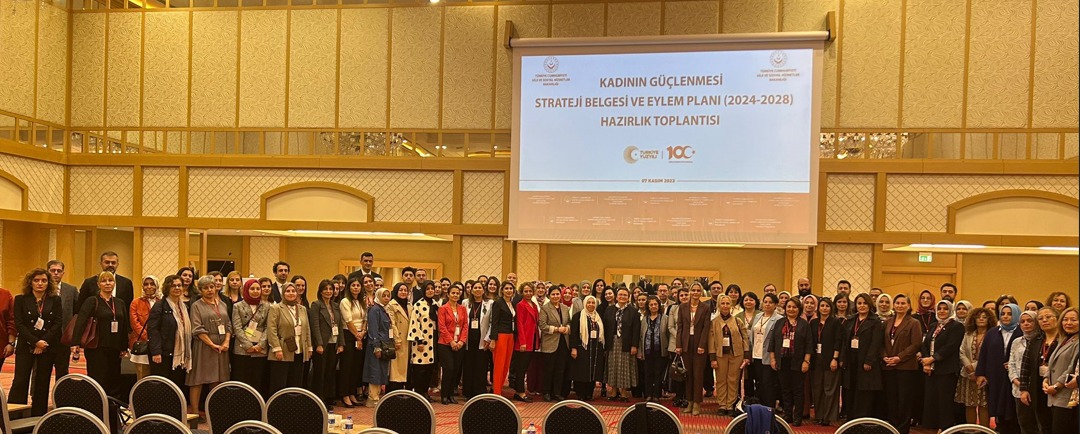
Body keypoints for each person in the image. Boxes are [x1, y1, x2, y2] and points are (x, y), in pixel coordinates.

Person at [10, 269, 61, 416]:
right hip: (26, 345)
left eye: (44, 280)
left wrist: (43, 342)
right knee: (20, 380)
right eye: (36, 280)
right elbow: (19, 324)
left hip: (47, 346)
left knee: (42, 382)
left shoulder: (55, 300)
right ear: (30, 282)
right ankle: (15, 415)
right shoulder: (20, 299)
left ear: (48, 283)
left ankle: (38, 415)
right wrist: (35, 342)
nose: (40, 283)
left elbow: (57, 323)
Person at [73, 271, 129, 398]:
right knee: (98, 379)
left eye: (110, 281)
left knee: (114, 379)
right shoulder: (92, 301)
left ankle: (112, 407)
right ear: (99, 284)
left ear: (114, 283)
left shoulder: (119, 302)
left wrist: (124, 346)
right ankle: (96, 405)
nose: (107, 283)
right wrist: (75, 342)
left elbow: (124, 325)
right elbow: (81, 321)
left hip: (114, 347)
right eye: (104, 281)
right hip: (96, 347)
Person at [186, 275, 232, 415]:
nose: (210, 290)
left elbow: (228, 325)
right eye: (205, 288)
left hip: (222, 346)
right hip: (203, 345)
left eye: (211, 287)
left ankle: (213, 411)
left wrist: (226, 342)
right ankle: (195, 413)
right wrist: (212, 344)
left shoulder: (222, 304)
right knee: (198, 379)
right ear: (200, 290)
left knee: (217, 379)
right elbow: (197, 328)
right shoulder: (196, 305)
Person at [976, 302, 1022, 434]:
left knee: (1012, 407)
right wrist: (980, 373)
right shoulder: (992, 332)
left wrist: (1012, 363)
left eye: (1010, 314)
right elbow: (984, 354)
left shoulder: (1021, 331)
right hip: (995, 375)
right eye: (1003, 314)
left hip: (1015, 376)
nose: (1005, 316)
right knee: (998, 407)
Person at [882, 294, 923, 434]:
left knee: (904, 400)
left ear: (908, 306)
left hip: (906, 367)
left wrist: (899, 358)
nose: (900, 306)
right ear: (894, 305)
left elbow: (916, 344)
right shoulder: (887, 322)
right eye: (897, 303)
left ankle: (903, 429)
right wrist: (884, 356)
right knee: (891, 399)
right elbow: (881, 342)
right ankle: (892, 427)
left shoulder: (914, 322)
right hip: (888, 366)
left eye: (903, 303)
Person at [921, 300, 964, 430]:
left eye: (945, 309)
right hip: (931, 369)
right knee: (931, 399)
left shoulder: (956, 326)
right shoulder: (933, 325)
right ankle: (932, 426)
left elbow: (951, 346)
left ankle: (945, 427)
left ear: (950, 310)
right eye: (939, 309)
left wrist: (932, 359)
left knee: (945, 400)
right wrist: (926, 361)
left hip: (946, 369)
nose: (942, 311)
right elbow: (924, 344)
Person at [769, 298, 812, 426]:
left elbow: (809, 344)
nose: (791, 309)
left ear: (799, 309)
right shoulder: (779, 322)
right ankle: (788, 414)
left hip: (798, 361)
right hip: (782, 360)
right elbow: (773, 342)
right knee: (785, 389)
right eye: (789, 307)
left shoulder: (804, 324)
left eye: (794, 307)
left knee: (798, 390)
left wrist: (806, 361)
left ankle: (798, 416)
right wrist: (773, 359)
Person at [842, 293, 883, 419]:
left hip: (865, 360)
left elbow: (876, 343)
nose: (862, 306)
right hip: (851, 360)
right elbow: (844, 341)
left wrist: (869, 360)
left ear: (869, 305)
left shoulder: (875, 322)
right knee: (850, 389)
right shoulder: (850, 320)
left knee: (863, 392)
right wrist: (843, 359)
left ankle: (861, 419)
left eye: (865, 303)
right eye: (859, 303)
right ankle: (850, 418)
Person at [148, 275, 192, 389]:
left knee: (176, 386)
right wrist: (156, 352)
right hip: (163, 354)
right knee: (162, 386)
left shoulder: (184, 307)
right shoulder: (160, 306)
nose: (177, 288)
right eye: (173, 286)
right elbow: (153, 330)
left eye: (179, 285)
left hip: (179, 354)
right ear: (167, 288)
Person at [266, 282, 311, 394]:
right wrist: (277, 348)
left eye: (293, 291)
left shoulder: (302, 309)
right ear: (283, 293)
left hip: (299, 350)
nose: (291, 293)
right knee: (279, 384)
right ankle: (277, 404)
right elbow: (271, 330)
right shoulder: (276, 308)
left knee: (296, 384)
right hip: (282, 351)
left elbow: (307, 329)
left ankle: (293, 403)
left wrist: (309, 347)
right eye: (288, 291)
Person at [1021, 307, 1060, 432]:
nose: (1044, 320)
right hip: (1038, 387)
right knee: (1044, 423)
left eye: (1048, 317)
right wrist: (1023, 389)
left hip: (1059, 387)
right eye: (1041, 318)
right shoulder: (1036, 340)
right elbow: (1025, 366)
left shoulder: (1064, 340)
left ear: (1058, 319)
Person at [709, 295, 747, 416]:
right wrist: (712, 358)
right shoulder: (714, 322)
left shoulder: (737, 321)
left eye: (727, 303)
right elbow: (711, 341)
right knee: (721, 380)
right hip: (720, 355)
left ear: (731, 306)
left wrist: (746, 355)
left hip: (736, 354)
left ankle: (730, 404)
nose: (725, 306)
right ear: (719, 305)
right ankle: (722, 405)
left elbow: (745, 338)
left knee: (733, 380)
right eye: (723, 303)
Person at [309, 279, 345, 407]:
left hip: (334, 343)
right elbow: (315, 325)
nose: (328, 291)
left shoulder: (335, 306)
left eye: (331, 289)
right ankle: (319, 398)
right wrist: (318, 344)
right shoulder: (316, 305)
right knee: (320, 372)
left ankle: (328, 396)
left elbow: (339, 325)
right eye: (325, 289)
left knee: (330, 371)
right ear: (320, 291)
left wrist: (341, 343)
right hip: (322, 344)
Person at [677, 282, 711, 415]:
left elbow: (706, 328)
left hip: (699, 344)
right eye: (693, 290)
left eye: (698, 290)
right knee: (688, 374)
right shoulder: (682, 307)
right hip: (686, 343)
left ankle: (697, 403)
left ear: (701, 292)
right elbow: (680, 326)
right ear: (690, 292)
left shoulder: (706, 307)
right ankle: (689, 401)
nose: (695, 292)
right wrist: (679, 345)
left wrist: (702, 345)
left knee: (698, 374)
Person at [1043, 307, 1078, 434]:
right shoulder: (1063, 339)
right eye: (1065, 319)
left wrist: (1057, 386)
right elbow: (1051, 363)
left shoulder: (1077, 341)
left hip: (1067, 394)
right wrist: (1046, 379)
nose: (1068, 323)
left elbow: (1072, 367)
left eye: (1073, 320)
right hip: (1054, 396)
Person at [958, 306, 994, 426]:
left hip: (985, 374)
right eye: (978, 317)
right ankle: (971, 430)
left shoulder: (992, 335)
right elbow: (962, 352)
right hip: (968, 374)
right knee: (969, 404)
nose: (981, 319)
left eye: (984, 317)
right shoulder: (968, 334)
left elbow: (990, 354)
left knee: (984, 404)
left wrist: (975, 368)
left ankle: (984, 430)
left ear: (989, 319)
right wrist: (969, 367)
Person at [231, 279, 268, 397]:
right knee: (242, 381)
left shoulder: (266, 306)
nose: (255, 291)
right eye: (252, 289)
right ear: (246, 290)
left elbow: (268, 327)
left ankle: (257, 404)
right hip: (242, 348)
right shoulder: (237, 306)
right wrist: (248, 346)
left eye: (258, 289)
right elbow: (237, 327)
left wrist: (260, 345)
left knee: (257, 381)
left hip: (260, 350)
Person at [809, 297, 842, 426]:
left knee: (829, 389)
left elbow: (838, 341)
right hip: (816, 359)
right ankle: (819, 415)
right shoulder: (813, 322)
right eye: (822, 305)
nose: (824, 308)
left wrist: (835, 358)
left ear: (831, 308)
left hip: (830, 359)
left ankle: (827, 417)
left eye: (827, 306)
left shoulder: (835, 322)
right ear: (818, 308)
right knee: (817, 389)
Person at [604, 287, 640, 401]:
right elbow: (605, 327)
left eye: (625, 295)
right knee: (613, 366)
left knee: (624, 368)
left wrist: (634, 345)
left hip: (626, 343)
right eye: (620, 294)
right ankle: (613, 391)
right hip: (612, 342)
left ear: (628, 297)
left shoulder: (633, 311)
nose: (622, 297)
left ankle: (624, 392)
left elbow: (636, 330)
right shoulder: (609, 310)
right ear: (616, 296)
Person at [750, 293, 783, 411]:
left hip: (769, 355)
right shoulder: (758, 316)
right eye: (765, 302)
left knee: (768, 383)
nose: (767, 304)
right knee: (759, 382)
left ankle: (769, 409)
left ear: (775, 305)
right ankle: (760, 408)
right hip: (756, 353)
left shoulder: (779, 319)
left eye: (770, 302)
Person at [46, 260, 78, 379]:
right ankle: (37, 392)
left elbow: (77, 313)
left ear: (63, 273)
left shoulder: (71, 290)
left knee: (62, 370)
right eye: (53, 270)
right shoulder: (42, 288)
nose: (56, 273)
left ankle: (61, 391)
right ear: (47, 272)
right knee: (41, 372)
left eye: (58, 271)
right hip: (44, 336)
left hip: (63, 337)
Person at [407, 280, 438, 401]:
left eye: (432, 289)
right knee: (420, 369)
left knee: (430, 368)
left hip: (433, 340)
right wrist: (419, 341)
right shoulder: (418, 305)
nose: (430, 291)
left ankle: (425, 392)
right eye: (428, 289)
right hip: (422, 341)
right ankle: (419, 392)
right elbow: (414, 323)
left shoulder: (435, 304)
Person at [339, 277, 368, 407]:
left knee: (356, 367)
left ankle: (352, 393)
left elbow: (365, 319)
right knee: (347, 366)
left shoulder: (362, 302)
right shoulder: (345, 301)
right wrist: (357, 336)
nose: (356, 288)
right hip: (349, 336)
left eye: (358, 285)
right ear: (349, 287)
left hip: (361, 335)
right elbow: (348, 321)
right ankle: (344, 395)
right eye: (353, 285)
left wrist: (363, 333)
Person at [539, 286, 571, 402]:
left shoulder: (565, 308)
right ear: (549, 295)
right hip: (550, 343)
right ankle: (547, 392)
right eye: (553, 294)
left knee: (560, 369)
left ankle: (557, 393)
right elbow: (542, 326)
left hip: (563, 342)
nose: (555, 296)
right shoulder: (545, 308)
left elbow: (569, 322)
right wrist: (557, 329)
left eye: (557, 294)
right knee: (549, 369)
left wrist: (567, 328)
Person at [570, 295, 605, 401]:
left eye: (593, 303)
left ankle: (589, 393)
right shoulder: (578, 316)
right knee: (581, 371)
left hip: (595, 348)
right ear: (585, 304)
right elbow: (573, 334)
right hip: (582, 348)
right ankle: (580, 393)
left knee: (592, 371)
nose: (591, 305)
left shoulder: (598, 317)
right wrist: (574, 348)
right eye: (588, 302)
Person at [509, 282, 539, 402]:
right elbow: (520, 324)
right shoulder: (520, 305)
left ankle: (521, 391)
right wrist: (522, 342)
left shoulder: (534, 305)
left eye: (530, 291)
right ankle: (520, 392)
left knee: (525, 367)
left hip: (532, 338)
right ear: (522, 292)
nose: (528, 293)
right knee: (521, 369)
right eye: (526, 291)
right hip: (524, 340)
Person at [437, 284, 467, 404]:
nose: (455, 295)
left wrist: (461, 341)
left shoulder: (462, 308)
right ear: (448, 294)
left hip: (459, 344)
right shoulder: (443, 308)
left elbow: (465, 326)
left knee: (455, 370)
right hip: (445, 344)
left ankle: (451, 395)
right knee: (448, 369)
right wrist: (451, 341)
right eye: (453, 293)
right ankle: (444, 395)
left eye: (457, 293)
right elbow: (442, 327)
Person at [1010, 310, 1039, 434]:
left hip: (1037, 388)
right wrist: (1017, 381)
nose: (1026, 324)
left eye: (1029, 321)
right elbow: (1011, 363)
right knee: (1025, 423)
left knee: (1039, 424)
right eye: (1022, 321)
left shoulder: (1041, 341)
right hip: (1019, 389)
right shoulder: (1017, 341)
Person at [363, 287, 392, 407]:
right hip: (377, 346)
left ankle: (377, 395)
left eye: (388, 296)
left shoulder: (384, 309)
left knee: (381, 371)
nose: (386, 298)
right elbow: (373, 329)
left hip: (385, 345)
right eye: (383, 296)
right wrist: (376, 346)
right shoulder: (374, 310)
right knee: (374, 371)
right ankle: (372, 397)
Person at [463, 280, 492, 399]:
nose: (477, 290)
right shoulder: (465, 303)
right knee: (468, 365)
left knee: (481, 365)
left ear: (484, 290)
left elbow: (492, 323)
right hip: (468, 339)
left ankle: (479, 391)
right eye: (475, 288)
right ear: (471, 290)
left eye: (480, 288)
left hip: (482, 339)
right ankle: (468, 391)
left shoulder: (490, 303)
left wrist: (488, 338)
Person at [128, 275, 160, 380]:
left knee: (157, 377)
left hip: (158, 346)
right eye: (146, 284)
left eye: (152, 284)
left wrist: (156, 341)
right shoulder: (136, 302)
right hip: (142, 344)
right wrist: (149, 338)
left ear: (157, 286)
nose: (149, 287)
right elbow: (135, 324)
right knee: (142, 377)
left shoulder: (161, 302)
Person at [639, 296, 668, 403]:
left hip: (660, 350)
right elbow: (641, 336)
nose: (653, 306)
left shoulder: (665, 318)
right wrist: (640, 351)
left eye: (655, 304)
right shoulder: (644, 319)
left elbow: (668, 334)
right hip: (647, 350)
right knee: (648, 373)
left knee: (658, 373)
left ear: (659, 306)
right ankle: (648, 394)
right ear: (648, 306)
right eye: (651, 305)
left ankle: (656, 394)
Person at [385, 283, 410, 391]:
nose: (403, 292)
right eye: (401, 290)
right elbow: (392, 323)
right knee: (395, 369)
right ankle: (393, 391)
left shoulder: (409, 305)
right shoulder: (391, 305)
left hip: (407, 339)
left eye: (405, 290)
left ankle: (402, 391)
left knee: (403, 368)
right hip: (398, 340)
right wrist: (396, 339)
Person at [667, 286, 689, 408]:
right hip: (675, 344)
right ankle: (678, 396)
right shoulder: (673, 308)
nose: (684, 297)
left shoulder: (693, 308)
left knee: (687, 372)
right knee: (677, 372)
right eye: (681, 295)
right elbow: (670, 327)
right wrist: (681, 338)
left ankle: (687, 397)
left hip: (690, 345)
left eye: (686, 295)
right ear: (678, 297)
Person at [739, 292, 762, 400]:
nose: (748, 302)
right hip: (742, 350)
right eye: (746, 300)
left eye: (751, 300)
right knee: (746, 377)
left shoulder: (761, 315)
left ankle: (759, 398)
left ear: (756, 302)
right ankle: (747, 398)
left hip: (758, 349)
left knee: (758, 376)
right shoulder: (738, 316)